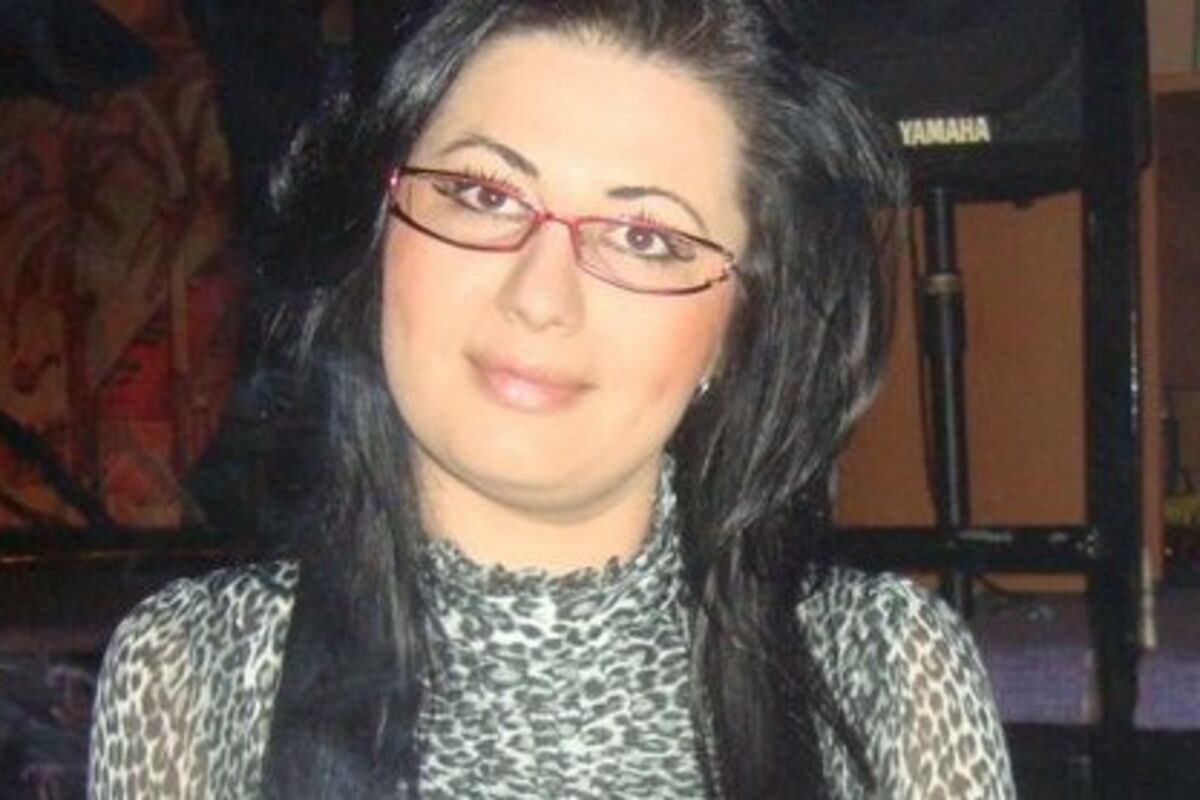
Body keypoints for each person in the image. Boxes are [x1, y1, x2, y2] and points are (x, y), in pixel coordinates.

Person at [88, 1, 1015, 797]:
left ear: (738, 328)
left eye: (645, 238)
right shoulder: (194, 669)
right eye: (484, 194)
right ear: (376, 233)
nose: (540, 294)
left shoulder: (883, 675)